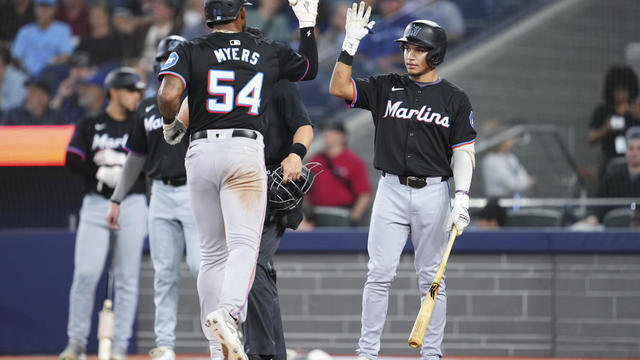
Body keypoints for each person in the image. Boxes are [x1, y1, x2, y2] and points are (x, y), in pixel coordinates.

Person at [155, 0, 318, 358]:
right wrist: (307, 26)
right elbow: (308, 69)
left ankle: (217, 348)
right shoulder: (265, 49)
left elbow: (168, 94)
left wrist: (170, 124)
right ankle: (229, 316)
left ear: (207, 18)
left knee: (210, 252)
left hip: (200, 152)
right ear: (241, 15)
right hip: (243, 151)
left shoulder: (190, 48)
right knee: (244, 245)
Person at [329, 5, 476, 360]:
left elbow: (464, 152)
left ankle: (432, 353)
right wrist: (349, 45)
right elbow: (338, 87)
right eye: (407, 48)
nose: (410, 55)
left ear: (436, 54)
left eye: (418, 49)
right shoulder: (385, 86)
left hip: (433, 193)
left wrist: (462, 197)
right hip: (391, 189)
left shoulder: (454, 98)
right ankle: (367, 353)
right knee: (378, 274)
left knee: (432, 280)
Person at [103, 35, 198, 360]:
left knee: (203, 269)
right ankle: (165, 345)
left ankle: (225, 334)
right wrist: (117, 198)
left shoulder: (201, 98)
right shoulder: (146, 106)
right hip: (159, 191)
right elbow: (136, 156)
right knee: (164, 274)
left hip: (195, 191)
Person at [59, 67, 147, 360]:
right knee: (85, 274)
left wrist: (122, 167)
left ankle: (119, 347)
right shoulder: (91, 123)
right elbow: (71, 158)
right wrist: (99, 170)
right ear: (114, 92)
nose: (137, 96)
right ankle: (77, 343)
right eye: (131, 90)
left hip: (131, 204)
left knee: (126, 279)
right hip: (96, 204)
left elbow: (153, 162)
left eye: (138, 91)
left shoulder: (142, 123)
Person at [306, 121, 372, 226]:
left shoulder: (354, 162)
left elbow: (364, 194)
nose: (327, 135)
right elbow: (304, 192)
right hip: (317, 215)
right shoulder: (315, 161)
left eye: (332, 132)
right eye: (325, 132)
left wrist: (353, 219)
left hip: (343, 214)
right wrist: (304, 219)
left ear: (342, 136)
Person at [589, 65, 640, 176]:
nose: (620, 95)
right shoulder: (603, 110)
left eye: (624, 90)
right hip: (610, 162)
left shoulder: (636, 110)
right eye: (617, 90)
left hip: (634, 163)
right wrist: (606, 129)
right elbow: (592, 138)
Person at [585, 126, 640, 224]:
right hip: (613, 230)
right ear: (625, 151)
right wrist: (594, 217)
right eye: (631, 148)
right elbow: (598, 203)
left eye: (639, 148)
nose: (634, 153)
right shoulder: (612, 178)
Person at [10, 0, 74, 76]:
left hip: (51, 75)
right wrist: (23, 68)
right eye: (40, 7)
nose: (43, 11)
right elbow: (15, 56)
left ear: (54, 9)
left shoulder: (63, 30)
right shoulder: (24, 31)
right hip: (25, 75)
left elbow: (66, 56)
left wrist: (51, 63)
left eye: (47, 7)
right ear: (35, 9)